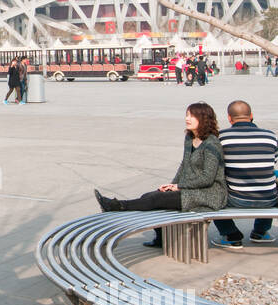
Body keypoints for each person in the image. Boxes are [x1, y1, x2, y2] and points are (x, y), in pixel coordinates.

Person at [95, 102, 227, 249]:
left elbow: (207, 178)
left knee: (156, 199)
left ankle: (116, 206)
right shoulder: (190, 138)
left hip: (209, 194)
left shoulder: (212, 143)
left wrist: (179, 186)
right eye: (187, 115)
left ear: (203, 118)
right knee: (150, 196)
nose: (187, 119)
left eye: (192, 115)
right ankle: (161, 238)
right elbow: (184, 165)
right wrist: (172, 186)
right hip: (190, 189)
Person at [213, 100, 278, 246]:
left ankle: (230, 235)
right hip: (269, 199)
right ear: (251, 115)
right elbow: (270, 165)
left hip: (236, 199)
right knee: (268, 178)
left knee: (212, 188)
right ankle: (260, 232)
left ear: (229, 118)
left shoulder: (221, 137)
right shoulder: (270, 136)